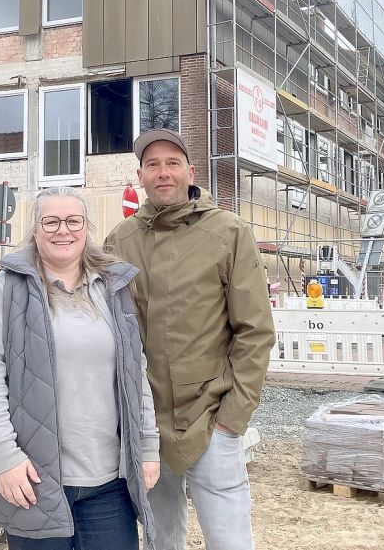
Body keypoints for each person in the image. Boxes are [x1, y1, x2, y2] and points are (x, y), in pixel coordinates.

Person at [104, 129, 276, 550]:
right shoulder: (120, 241)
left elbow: (255, 330)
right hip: (146, 426)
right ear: (140, 175)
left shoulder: (228, 232)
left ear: (190, 171)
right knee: (160, 538)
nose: (163, 173)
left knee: (229, 540)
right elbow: (106, 330)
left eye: (172, 163)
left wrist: (232, 418)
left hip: (210, 418)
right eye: (153, 165)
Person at [0, 186, 159, 550]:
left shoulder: (112, 287)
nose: (63, 230)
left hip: (109, 484)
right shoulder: (6, 289)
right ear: (35, 230)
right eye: (51, 221)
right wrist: (5, 456)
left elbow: (135, 373)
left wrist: (148, 446)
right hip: (35, 480)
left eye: (73, 220)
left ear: (86, 227)